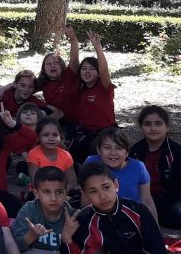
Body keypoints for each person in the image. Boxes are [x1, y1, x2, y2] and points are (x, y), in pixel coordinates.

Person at [128, 106, 181, 229]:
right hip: (141, 198)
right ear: (141, 127)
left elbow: (179, 189)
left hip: (169, 200)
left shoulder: (178, 152)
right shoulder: (134, 151)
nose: (153, 128)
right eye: (147, 124)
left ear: (166, 127)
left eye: (158, 124)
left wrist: (153, 204)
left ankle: (145, 216)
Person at [83, 127, 157, 223]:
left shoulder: (138, 167)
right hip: (99, 216)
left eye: (119, 148)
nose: (113, 153)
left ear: (127, 152)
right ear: (98, 150)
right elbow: (85, 197)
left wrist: (155, 226)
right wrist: (85, 223)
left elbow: (146, 200)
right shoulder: (91, 162)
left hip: (131, 217)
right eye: (107, 147)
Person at [70, 32, 116, 162]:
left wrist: (97, 47)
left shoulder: (104, 87)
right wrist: (73, 40)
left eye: (91, 68)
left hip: (105, 132)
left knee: (94, 155)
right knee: (71, 155)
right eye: (84, 68)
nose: (87, 71)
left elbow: (104, 70)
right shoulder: (81, 89)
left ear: (98, 73)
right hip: (85, 131)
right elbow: (73, 63)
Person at [35, 26, 80, 126]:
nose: (52, 65)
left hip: (76, 122)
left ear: (62, 66)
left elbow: (74, 60)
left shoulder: (69, 75)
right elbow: (23, 85)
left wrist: (73, 39)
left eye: (56, 62)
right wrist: (4, 89)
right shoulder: (43, 82)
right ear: (44, 69)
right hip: (56, 121)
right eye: (48, 63)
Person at [26, 117, 76, 191]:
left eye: (55, 135)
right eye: (46, 135)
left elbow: (72, 183)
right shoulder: (34, 154)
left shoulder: (66, 156)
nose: (51, 138)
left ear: (60, 136)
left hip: (61, 192)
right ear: (38, 137)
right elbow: (35, 184)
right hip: (40, 192)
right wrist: (51, 193)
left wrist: (58, 192)